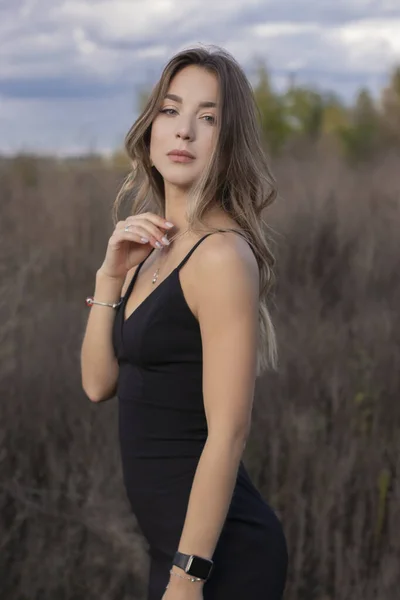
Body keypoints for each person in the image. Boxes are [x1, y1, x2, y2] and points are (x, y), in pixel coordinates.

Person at [81, 45, 288, 600]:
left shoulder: (220, 257)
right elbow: (99, 384)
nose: (185, 132)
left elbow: (229, 431)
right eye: (171, 111)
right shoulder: (153, 248)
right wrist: (109, 276)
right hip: (170, 551)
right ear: (151, 128)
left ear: (229, 140)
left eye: (208, 118)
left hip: (216, 560)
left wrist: (186, 577)